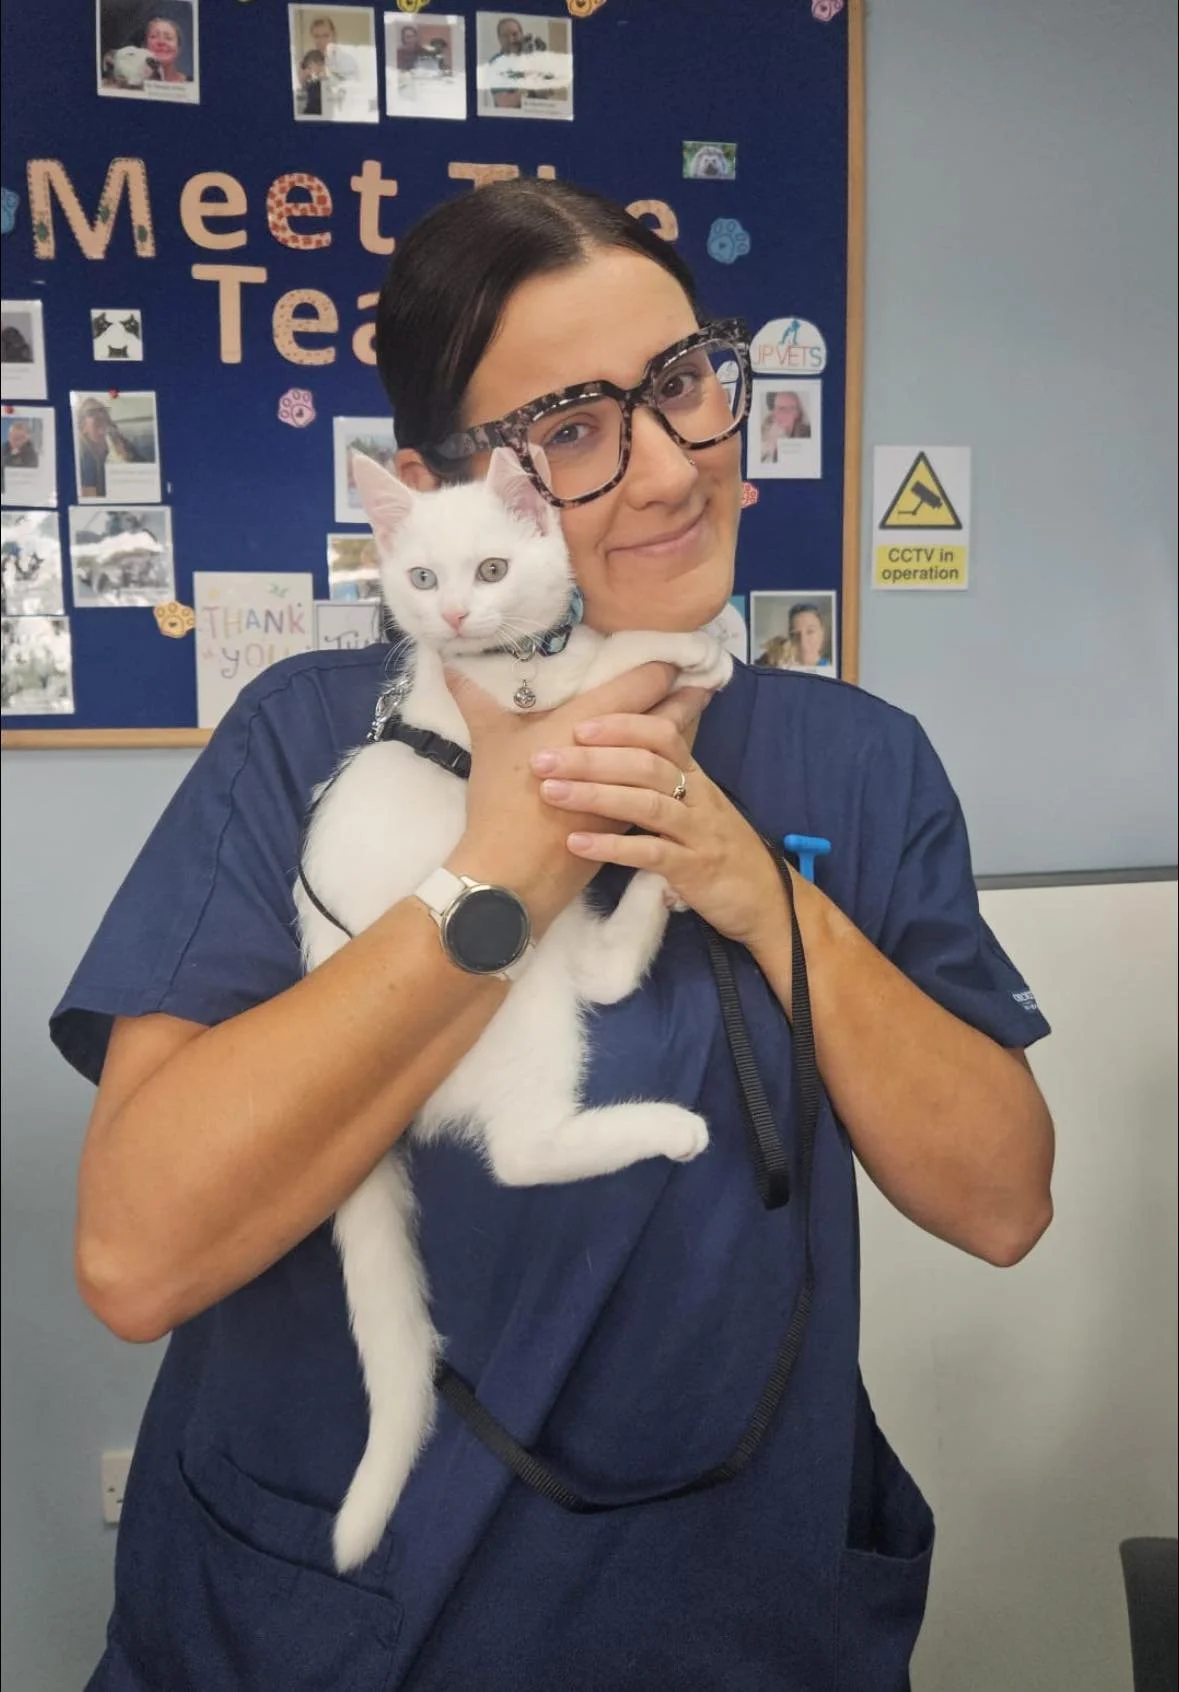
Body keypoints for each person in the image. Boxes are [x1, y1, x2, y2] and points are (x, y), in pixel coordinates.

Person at [55, 179, 1054, 1691]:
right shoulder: (301, 741)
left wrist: (759, 897)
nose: (665, 470)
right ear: (442, 491)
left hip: (719, 1609)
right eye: (573, 431)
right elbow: (136, 1255)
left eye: (678, 385)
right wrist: (501, 866)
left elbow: (1000, 1202)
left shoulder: (857, 761)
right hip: (335, 1620)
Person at [75, 399, 139, 500]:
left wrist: (125, 456)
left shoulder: (121, 442)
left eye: (103, 411)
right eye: (92, 413)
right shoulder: (84, 459)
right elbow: (90, 500)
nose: (100, 415)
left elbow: (143, 467)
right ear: (83, 427)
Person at [757, 602, 833, 672]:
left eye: (810, 631)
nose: (803, 642)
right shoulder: (775, 664)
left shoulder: (832, 671)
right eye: (795, 634)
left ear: (822, 634)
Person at [760, 388, 811, 463]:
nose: (775, 413)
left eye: (783, 409)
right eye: (777, 408)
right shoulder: (765, 428)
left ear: (797, 413)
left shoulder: (807, 435)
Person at [142, 14, 188, 82]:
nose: (161, 42)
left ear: (178, 48)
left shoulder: (192, 84)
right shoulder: (129, 86)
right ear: (144, 46)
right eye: (154, 36)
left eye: (168, 38)